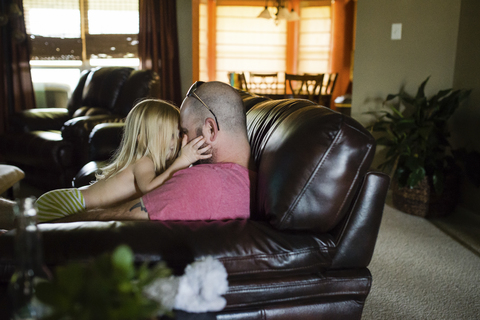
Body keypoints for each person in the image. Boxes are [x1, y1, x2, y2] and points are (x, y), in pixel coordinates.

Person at [0, 81, 255, 226]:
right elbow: (151, 190)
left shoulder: (210, 182)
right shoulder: (246, 181)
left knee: (18, 216)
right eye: (178, 133)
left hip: (72, 201)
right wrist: (182, 162)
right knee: (19, 221)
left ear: (210, 129)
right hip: (70, 202)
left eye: (183, 131)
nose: (182, 141)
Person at [35, 99, 211, 222]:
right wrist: (184, 159)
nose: (178, 141)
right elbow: (151, 189)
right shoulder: (144, 162)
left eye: (178, 134)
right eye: (172, 135)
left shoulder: (148, 165)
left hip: (71, 201)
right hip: (67, 205)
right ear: (143, 139)